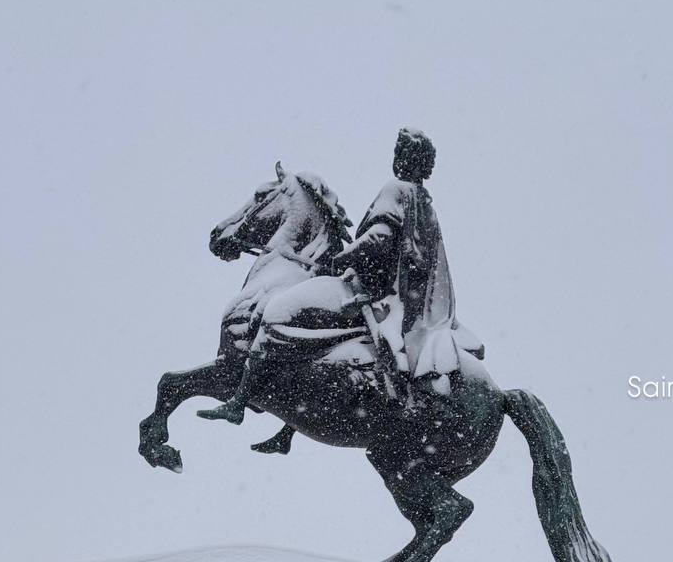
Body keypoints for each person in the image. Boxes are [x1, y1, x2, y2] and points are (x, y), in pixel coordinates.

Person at [197, 128, 481, 426]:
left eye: (399, 153)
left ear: (405, 159)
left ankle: (239, 402)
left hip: (371, 291)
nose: (396, 159)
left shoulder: (396, 189)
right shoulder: (424, 203)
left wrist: (343, 256)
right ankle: (286, 428)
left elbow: (380, 238)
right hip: (401, 298)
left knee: (277, 314)